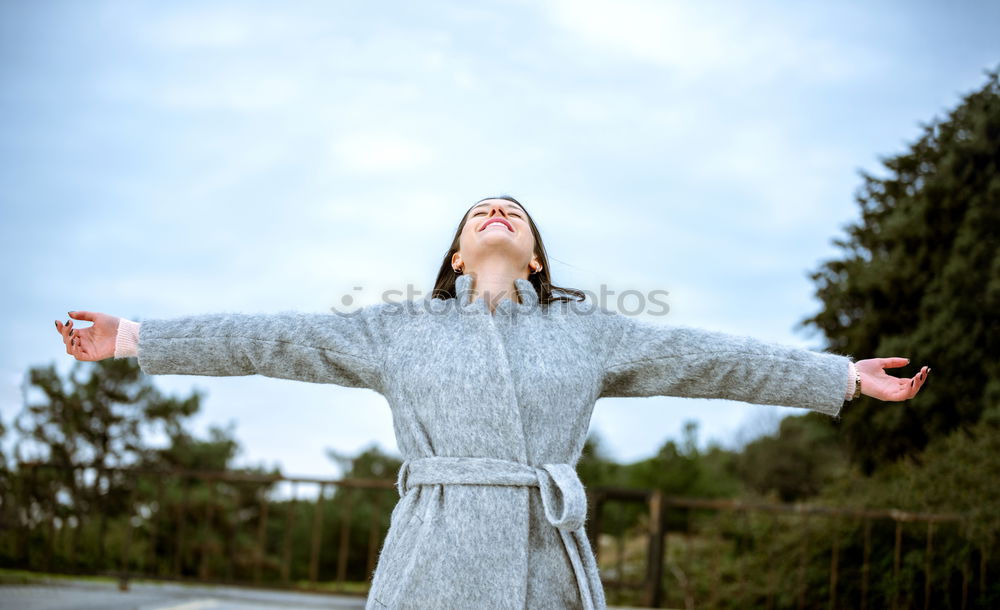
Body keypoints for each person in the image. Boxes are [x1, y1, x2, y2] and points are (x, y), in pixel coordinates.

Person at [54, 196, 929, 610]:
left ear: (538, 258)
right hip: (433, 548)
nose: (497, 215)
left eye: (513, 212)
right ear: (459, 257)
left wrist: (835, 376)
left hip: (545, 551)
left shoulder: (591, 333)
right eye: (479, 215)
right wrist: (136, 338)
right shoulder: (398, 328)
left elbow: (710, 361)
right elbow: (267, 339)